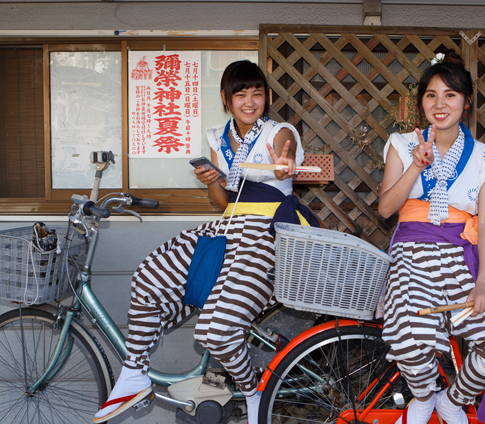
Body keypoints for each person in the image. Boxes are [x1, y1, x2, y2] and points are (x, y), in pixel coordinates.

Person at [94, 60, 318, 424]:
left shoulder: (279, 131)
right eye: (240, 94)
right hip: (227, 228)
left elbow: (285, 154)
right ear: (226, 99)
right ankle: (134, 373)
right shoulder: (217, 136)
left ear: (267, 97)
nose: (249, 102)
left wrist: (284, 162)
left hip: (267, 232)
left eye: (257, 94)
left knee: (217, 329)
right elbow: (221, 202)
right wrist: (212, 178)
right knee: (149, 276)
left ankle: (253, 390)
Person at [378, 50, 485, 424]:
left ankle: (452, 399)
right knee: (408, 335)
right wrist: (416, 165)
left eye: (450, 95)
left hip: (461, 255)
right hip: (412, 254)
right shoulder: (402, 145)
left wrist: (483, 284)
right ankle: (424, 395)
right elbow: (386, 209)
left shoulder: (483, 156)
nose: (440, 103)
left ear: (465, 104)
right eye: (431, 95)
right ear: (421, 104)